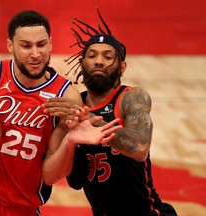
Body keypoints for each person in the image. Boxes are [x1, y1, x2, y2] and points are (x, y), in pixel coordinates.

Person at [0, 10, 121, 216]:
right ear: (11, 46)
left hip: (23, 206)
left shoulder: (65, 97)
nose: (35, 54)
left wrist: (70, 141)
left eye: (41, 44)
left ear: (51, 44)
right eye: (26, 46)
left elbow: (50, 176)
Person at [43, 8, 177, 216]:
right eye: (92, 55)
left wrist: (90, 120)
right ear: (82, 63)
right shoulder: (74, 108)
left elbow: (139, 148)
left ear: (122, 68)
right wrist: (69, 140)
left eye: (108, 56)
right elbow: (76, 181)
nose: (99, 61)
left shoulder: (131, 97)